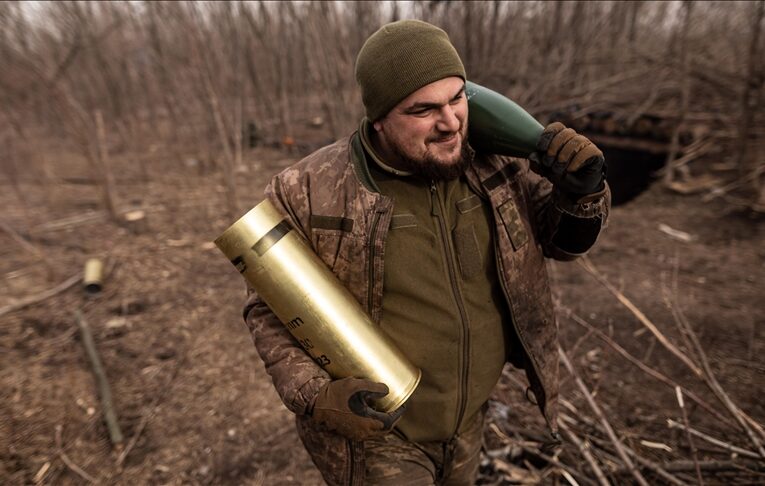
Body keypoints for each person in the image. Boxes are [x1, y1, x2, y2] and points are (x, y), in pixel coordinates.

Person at [243, 19, 610, 485]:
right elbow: (267, 309)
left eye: (458, 98)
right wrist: (315, 395)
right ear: (379, 118)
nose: (451, 122)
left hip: (469, 423)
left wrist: (583, 193)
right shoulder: (309, 189)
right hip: (381, 436)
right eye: (423, 110)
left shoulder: (495, 166)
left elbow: (563, 244)